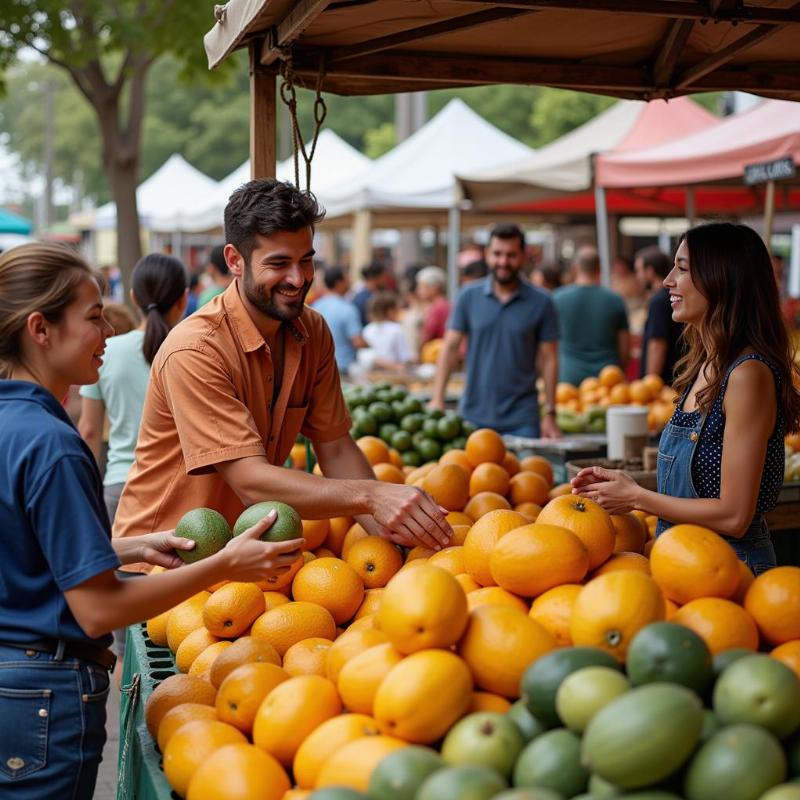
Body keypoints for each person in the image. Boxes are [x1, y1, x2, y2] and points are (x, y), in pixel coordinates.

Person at [0, 242, 305, 798]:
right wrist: (221, 567)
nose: (107, 334)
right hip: (44, 694)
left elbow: (21, 547)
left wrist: (129, 548)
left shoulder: (9, 425)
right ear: (39, 329)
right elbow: (98, 611)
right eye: (93, 318)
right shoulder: (53, 445)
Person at [113, 179, 452, 560]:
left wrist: (396, 544)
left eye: (306, 260)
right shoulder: (195, 350)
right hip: (160, 569)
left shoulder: (314, 331)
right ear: (234, 260)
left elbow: (336, 448)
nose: (298, 278)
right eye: (278, 263)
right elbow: (251, 481)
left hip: (239, 564)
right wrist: (372, 496)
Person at [572, 223, 800, 575]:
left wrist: (636, 497)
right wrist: (625, 484)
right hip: (684, 565)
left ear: (720, 278)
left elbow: (735, 515)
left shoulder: (747, 375)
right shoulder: (706, 364)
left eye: (681, 268)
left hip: (729, 574)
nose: (667, 280)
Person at [78, 253, 188, 523]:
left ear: (134, 297)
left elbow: (89, 431)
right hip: (182, 492)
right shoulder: (194, 351)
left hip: (121, 487)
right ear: (183, 299)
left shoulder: (106, 351)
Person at [431, 223, 561, 439]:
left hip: (523, 418)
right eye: (497, 254)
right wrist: (437, 398)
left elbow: (550, 359)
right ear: (486, 255)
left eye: (511, 255)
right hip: (473, 416)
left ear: (523, 256)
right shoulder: (468, 296)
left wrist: (550, 412)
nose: (503, 262)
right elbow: (450, 348)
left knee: (527, 474)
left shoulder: (542, 302)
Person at [551, 246, 629, 385]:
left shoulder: (557, 299)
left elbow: (550, 344)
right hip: (607, 379)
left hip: (569, 378)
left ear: (575, 268)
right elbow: (624, 347)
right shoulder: (615, 300)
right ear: (600, 269)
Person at [636, 245, 685, 384]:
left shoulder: (658, 301)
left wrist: (649, 385)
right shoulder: (671, 298)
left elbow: (657, 344)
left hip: (663, 384)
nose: (637, 276)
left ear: (650, 271)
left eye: (639, 270)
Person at [312, 266, 366, 375]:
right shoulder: (348, 309)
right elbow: (358, 342)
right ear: (339, 283)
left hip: (319, 368)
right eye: (347, 279)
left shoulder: (315, 306)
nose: (350, 282)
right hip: (342, 368)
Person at [363, 291, 413, 371]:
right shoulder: (396, 329)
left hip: (371, 374)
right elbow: (405, 357)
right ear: (390, 311)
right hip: (393, 375)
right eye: (397, 309)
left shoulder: (367, 329)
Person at [416, 265, 451, 344]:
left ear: (434, 288)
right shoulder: (444, 304)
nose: (418, 290)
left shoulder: (438, 307)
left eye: (421, 286)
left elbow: (427, 335)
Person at [352, 261, 387, 326]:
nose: (385, 279)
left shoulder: (358, 296)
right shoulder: (365, 298)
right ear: (376, 277)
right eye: (383, 276)